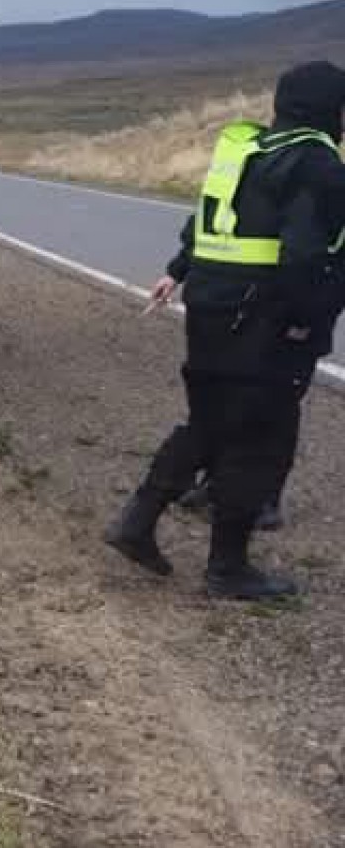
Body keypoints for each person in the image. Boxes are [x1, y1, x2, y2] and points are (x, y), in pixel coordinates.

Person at [105, 60, 345, 600]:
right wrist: (305, 323)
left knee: (211, 421)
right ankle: (228, 567)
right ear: (332, 111)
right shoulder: (318, 166)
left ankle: (137, 521)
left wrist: (178, 269)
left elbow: (209, 221)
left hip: (211, 306)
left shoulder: (243, 151)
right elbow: (305, 258)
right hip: (266, 319)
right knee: (262, 439)